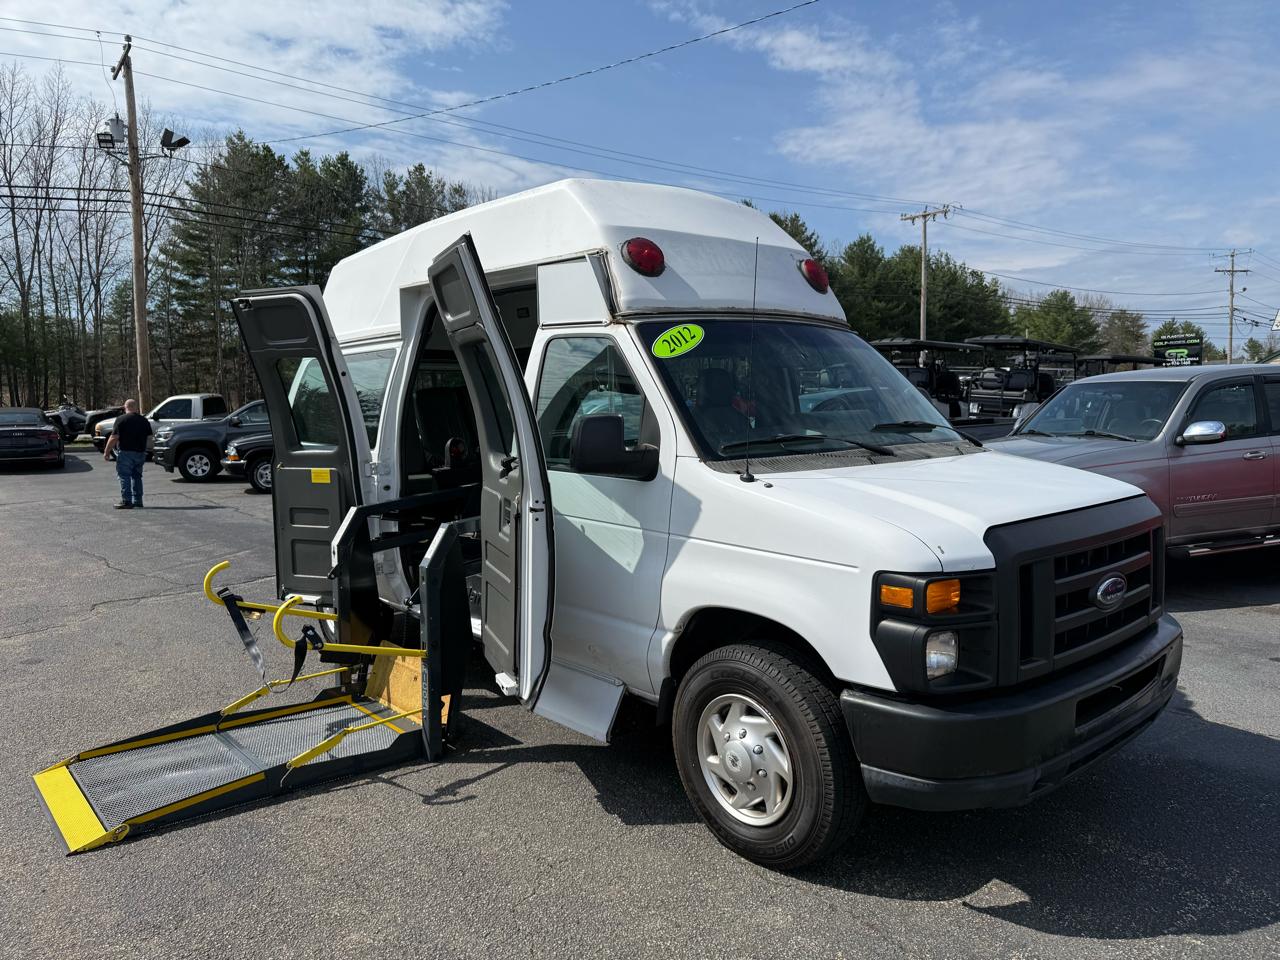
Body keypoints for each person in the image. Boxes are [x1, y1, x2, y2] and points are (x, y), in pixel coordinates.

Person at [103, 398, 152, 509]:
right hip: (140, 453)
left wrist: (107, 451)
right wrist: (149, 452)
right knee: (137, 477)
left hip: (126, 453)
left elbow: (114, 437)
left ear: (126, 407)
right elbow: (149, 438)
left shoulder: (121, 419)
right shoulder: (144, 420)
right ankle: (138, 501)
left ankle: (126, 501)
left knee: (124, 476)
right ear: (136, 408)